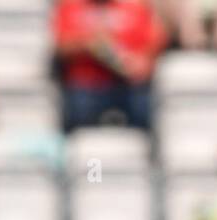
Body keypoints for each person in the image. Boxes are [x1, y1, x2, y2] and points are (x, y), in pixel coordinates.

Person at [52, 0, 167, 132]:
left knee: (143, 103)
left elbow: (155, 39)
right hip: (86, 86)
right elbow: (60, 48)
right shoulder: (71, 7)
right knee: (79, 106)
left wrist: (143, 60)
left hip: (128, 85)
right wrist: (87, 44)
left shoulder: (133, 6)